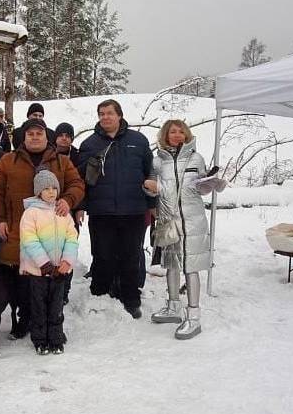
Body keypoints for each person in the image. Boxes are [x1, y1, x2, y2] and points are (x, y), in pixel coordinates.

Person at [0, 119, 85, 340]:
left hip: (51, 233)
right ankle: (24, 319)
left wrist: (68, 200)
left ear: (46, 137)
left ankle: (47, 322)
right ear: (23, 137)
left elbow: (77, 184)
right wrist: (0, 219)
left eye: (38, 133)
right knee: (23, 278)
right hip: (16, 231)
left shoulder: (61, 162)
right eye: (30, 133)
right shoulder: (7, 160)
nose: (34, 137)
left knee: (49, 279)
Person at [145, 120, 225, 339]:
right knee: (171, 263)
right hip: (168, 220)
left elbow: (196, 187)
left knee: (191, 266)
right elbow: (153, 190)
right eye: (173, 131)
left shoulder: (195, 158)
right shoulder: (157, 161)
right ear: (165, 135)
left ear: (187, 134)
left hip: (192, 220)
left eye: (181, 131)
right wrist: (150, 188)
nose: (177, 135)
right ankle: (173, 307)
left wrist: (208, 184)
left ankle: (194, 317)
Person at [78, 99, 155, 319]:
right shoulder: (90, 144)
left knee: (131, 256)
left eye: (110, 113)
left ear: (119, 115)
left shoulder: (138, 141)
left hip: (133, 210)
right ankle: (100, 293)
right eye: (101, 114)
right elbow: (80, 179)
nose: (105, 117)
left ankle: (130, 297)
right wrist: (80, 206)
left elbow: (150, 173)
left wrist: (152, 205)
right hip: (101, 212)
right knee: (102, 255)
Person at [19, 170, 79, 355]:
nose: (51, 192)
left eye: (54, 188)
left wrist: (67, 261)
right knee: (39, 306)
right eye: (46, 188)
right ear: (38, 191)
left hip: (59, 270)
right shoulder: (31, 213)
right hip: (39, 271)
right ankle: (40, 339)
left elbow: (72, 237)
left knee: (56, 306)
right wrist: (44, 263)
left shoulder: (62, 212)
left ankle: (56, 338)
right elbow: (29, 240)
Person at [54, 122, 81, 304]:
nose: (64, 138)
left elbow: (81, 183)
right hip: (50, 210)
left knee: (68, 250)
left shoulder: (78, 156)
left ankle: (65, 288)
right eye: (61, 135)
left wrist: (79, 208)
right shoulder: (48, 154)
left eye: (68, 135)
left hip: (71, 208)